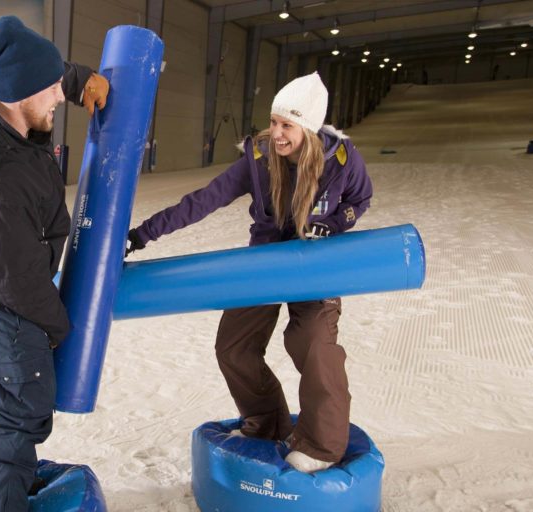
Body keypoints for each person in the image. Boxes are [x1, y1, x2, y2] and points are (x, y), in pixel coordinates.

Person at [126, 72, 372, 473]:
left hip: (316, 263)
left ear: (307, 128)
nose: (275, 132)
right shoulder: (258, 159)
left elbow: (361, 199)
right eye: (273, 121)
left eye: (286, 125)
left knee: (313, 344)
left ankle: (323, 447)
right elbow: (203, 201)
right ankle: (266, 421)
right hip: (264, 262)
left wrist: (338, 223)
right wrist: (141, 234)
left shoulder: (342, 159)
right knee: (234, 347)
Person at [0, 16, 108, 511]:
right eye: (53, 90)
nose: (59, 97)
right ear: (20, 93)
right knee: (24, 408)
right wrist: (59, 326)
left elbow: (34, 72)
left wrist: (75, 80)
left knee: (0, 392)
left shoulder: (7, 108)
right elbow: (20, 283)